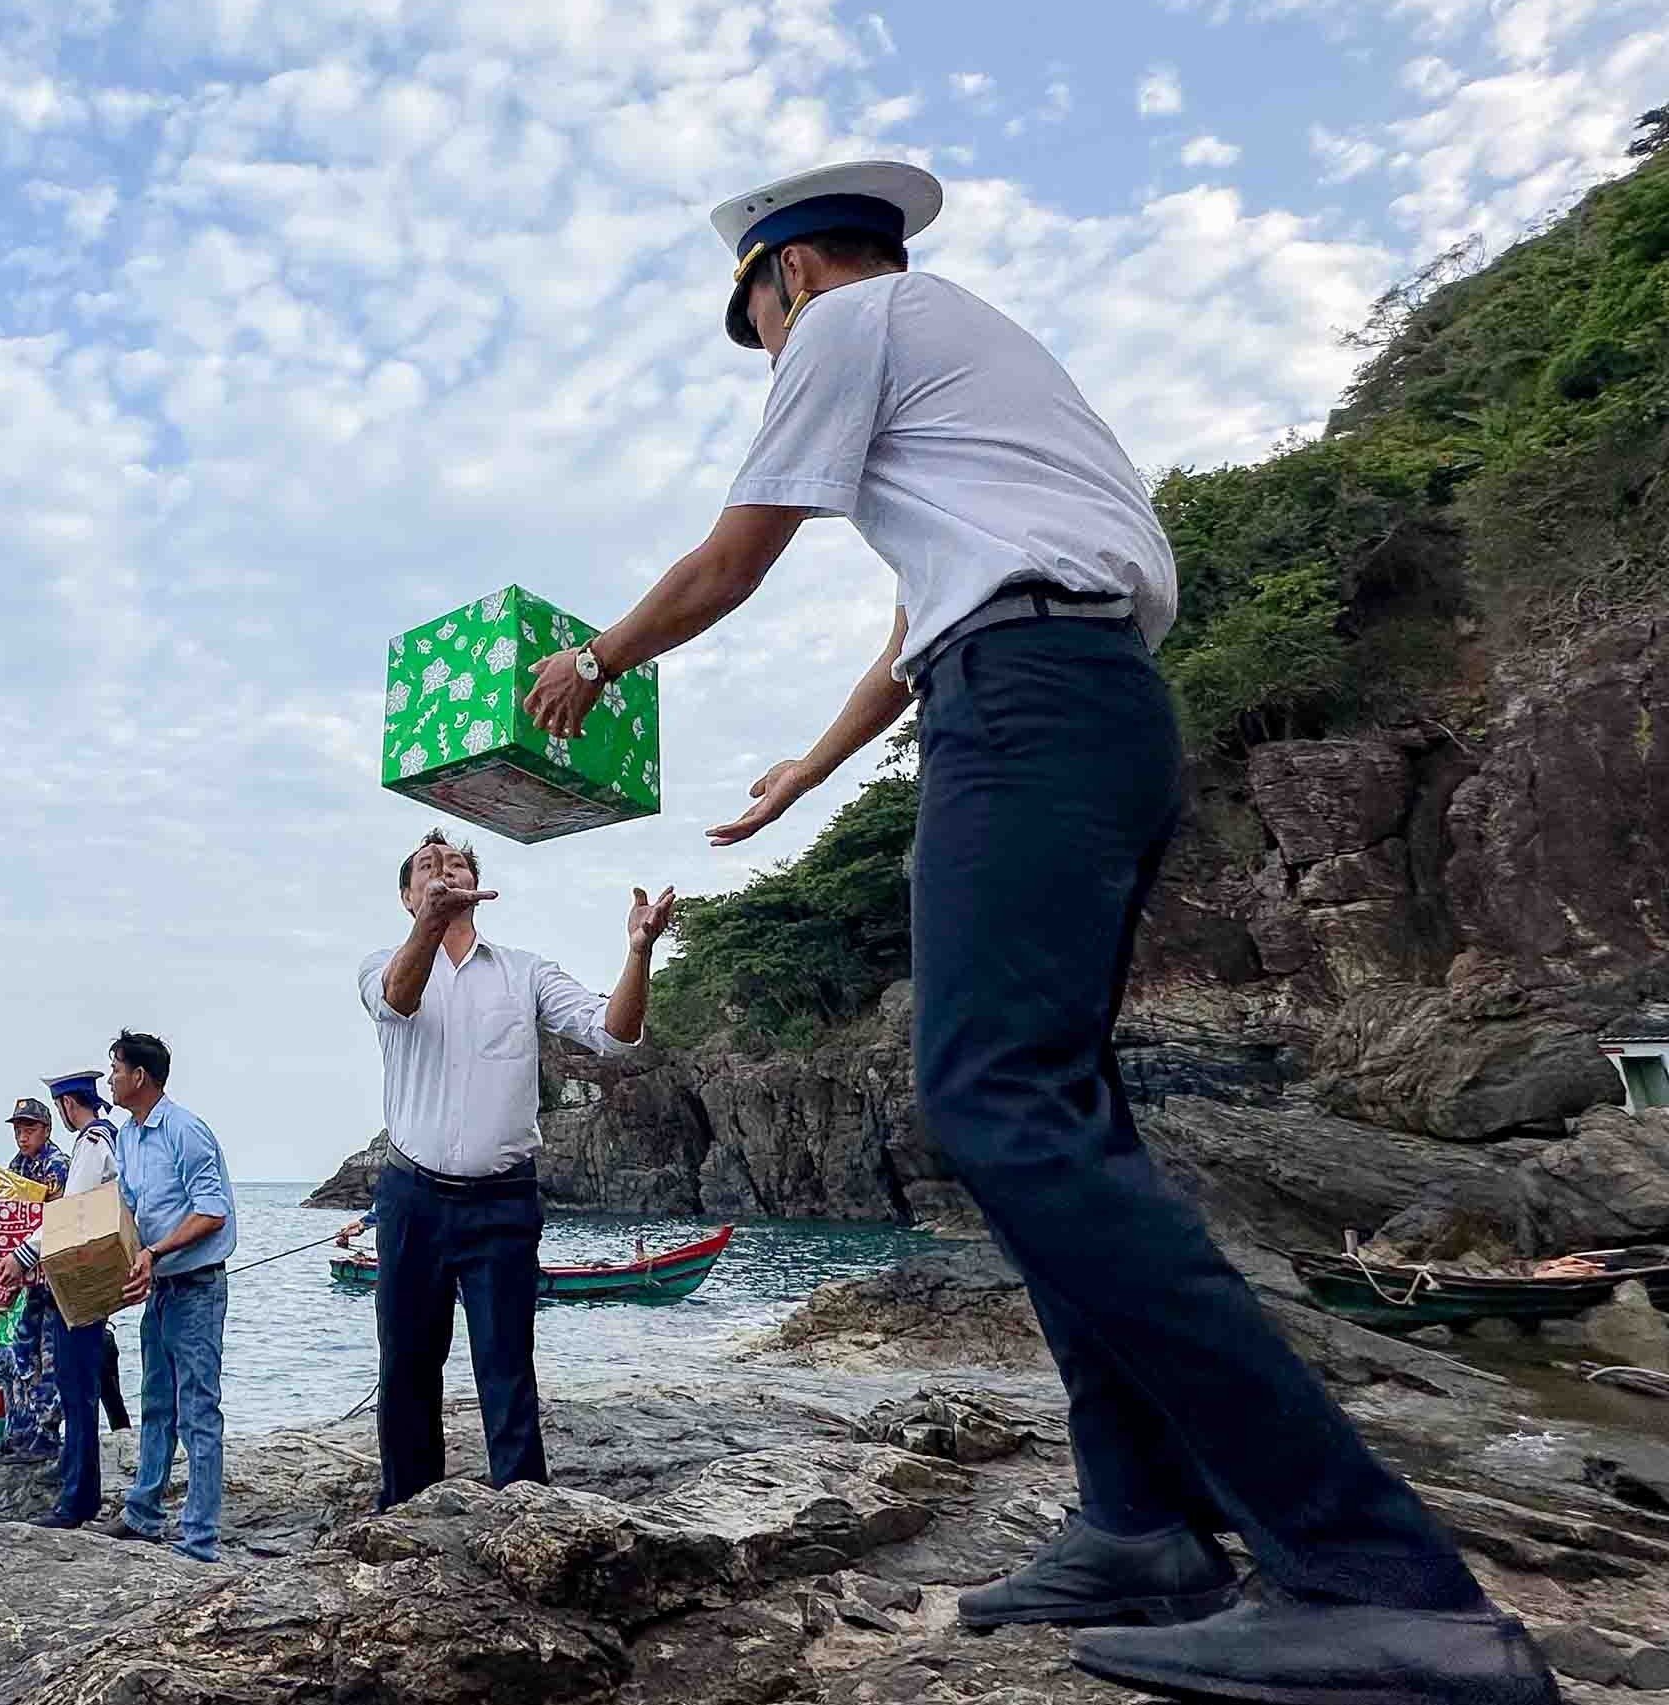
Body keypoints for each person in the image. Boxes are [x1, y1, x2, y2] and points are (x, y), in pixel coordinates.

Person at [515, 159, 1551, 1705]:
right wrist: (809, 764)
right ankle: (1141, 1521)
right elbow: (920, 611)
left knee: (993, 1100)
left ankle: (1383, 1583)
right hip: (1073, 697)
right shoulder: (986, 367)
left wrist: (592, 659)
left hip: (1025, 709)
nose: (765, 348)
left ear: (785, 274)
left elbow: (739, 552)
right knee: (1050, 1103)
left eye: (753, 321)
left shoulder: (849, 324)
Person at [358, 830, 670, 1509]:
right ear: (408, 897)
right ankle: (407, 1516)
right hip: (412, 1195)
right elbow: (400, 998)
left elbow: (614, 1033)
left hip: (503, 1199)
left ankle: (528, 1514)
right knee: (408, 1362)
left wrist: (639, 951)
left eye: (457, 863)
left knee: (506, 1365)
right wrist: (432, 923)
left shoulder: (524, 971)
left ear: (480, 885)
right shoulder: (383, 965)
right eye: (426, 868)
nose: (443, 870)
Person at [102, 1030, 235, 1563]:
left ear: (140, 1076)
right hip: (160, 1287)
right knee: (155, 1403)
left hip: (197, 1287)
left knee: (198, 1410)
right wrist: (127, 1267)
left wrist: (153, 1253)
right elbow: (131, 1210)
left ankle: (200, 1538)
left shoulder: (185, 1131)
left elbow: (212, 1210)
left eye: (115, 1068)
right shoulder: (126, 1136)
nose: (109, 1078)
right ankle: (143, 1514)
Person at [25, 1068, 129, 1529]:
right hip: (100, 1280)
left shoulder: (90, 1145)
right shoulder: (114, 1137)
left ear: (68, 1106)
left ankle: (77, 1501)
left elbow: (73, 1214)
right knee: (84, 1390)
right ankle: (80, 1495)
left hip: (81, 1283)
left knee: (76, 1392)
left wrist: (22, 1254)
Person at [0, 1097, 69, 1459]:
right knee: (24, 1352)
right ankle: (26, 1427)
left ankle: (48, 1430)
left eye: (29, 1129)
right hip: (22, 1278)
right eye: (17, 1130)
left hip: (50, 1277)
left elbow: (56, 1222)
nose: (22, 1136)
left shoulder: (57, 1166)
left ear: (46, 1130)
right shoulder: (17, 1166)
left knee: (49, 1356)